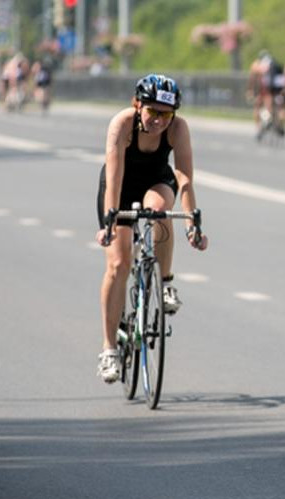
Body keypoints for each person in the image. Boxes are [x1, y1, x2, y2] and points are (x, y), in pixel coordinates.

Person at [94, 74, 208, 383]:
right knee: (118, 264)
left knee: (160, 212)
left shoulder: (178, 128)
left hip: (157, 180)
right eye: (153, 112)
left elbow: (184, 178)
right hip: (120, 185)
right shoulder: (122, 124)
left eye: (166, 114)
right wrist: (109, 222)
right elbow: (115, 175)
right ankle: (109, 350)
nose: (159, 120)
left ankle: (165, 281)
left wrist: (192, 222)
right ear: (137, 105)